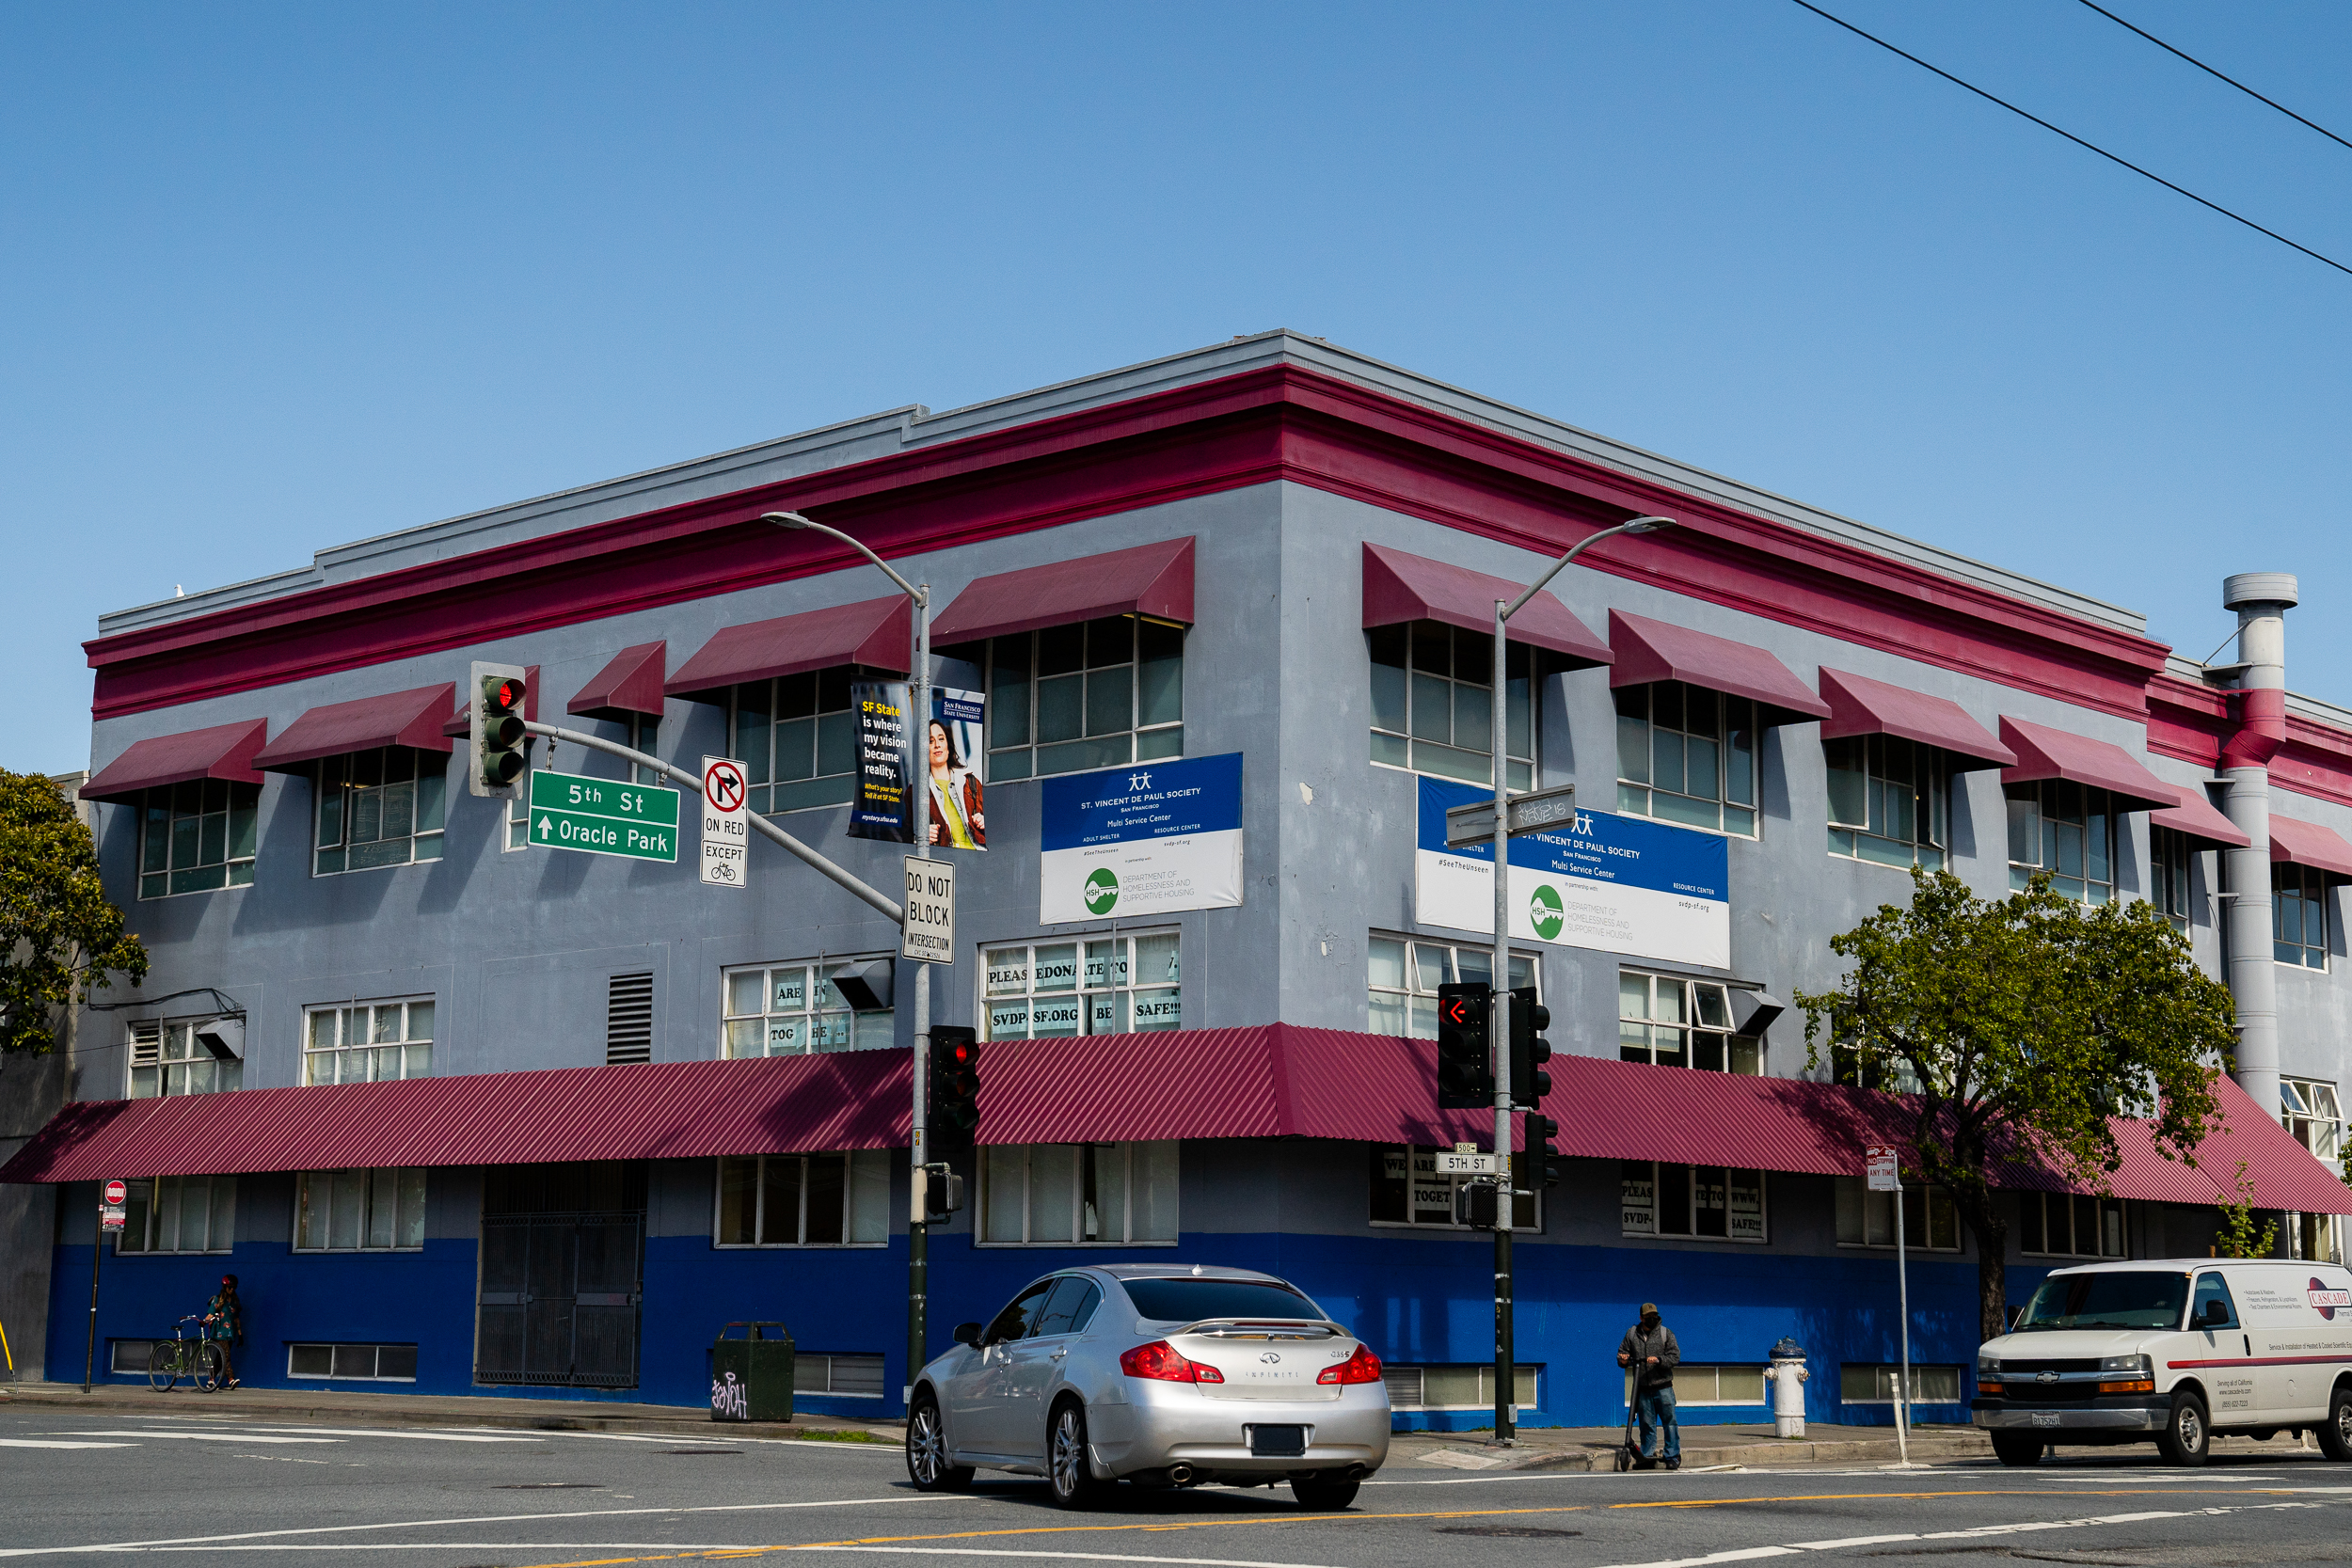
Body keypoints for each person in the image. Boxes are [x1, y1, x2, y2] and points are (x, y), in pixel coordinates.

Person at [1617, 1301, 1680, 1470]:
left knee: (1670, 1422)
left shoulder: (1665, 1334)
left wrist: (1659, 1360)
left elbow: (1675, 1357)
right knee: (1646, 1425)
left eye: (1654, 1316)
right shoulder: (1632, 1334)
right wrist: (1623, 1360)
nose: (1652, 1319)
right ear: (1641, 1318)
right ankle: (1647, 1455)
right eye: (1648, 1317)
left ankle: (1672, 1455)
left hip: (1663, 1386)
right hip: (1643, 1387)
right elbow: (1622, 1353)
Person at [925, 719, 984, 849]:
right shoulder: (915, 791)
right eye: (930, 741)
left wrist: (985, 821)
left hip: (978, 858)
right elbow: (905, 836)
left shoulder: (970, 781)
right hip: (946, 861)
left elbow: (998, 822)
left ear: (948, 747)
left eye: (941, 739)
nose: (937, 745)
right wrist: (921, 837)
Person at [202, 1274, 244, 1390]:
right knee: (226, 1356)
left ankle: (211, 1380)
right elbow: (210, 1314)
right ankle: (231, 1380)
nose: (232, 1289)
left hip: (230, 1334)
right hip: (219, 1333)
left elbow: (236, 1319)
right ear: (224, 1287)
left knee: (220, 1358)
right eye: (230, 1287)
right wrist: (204, 1322)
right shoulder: (217, 1299)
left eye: (234, 1287)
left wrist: (240, 1335)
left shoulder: (235, 1302)